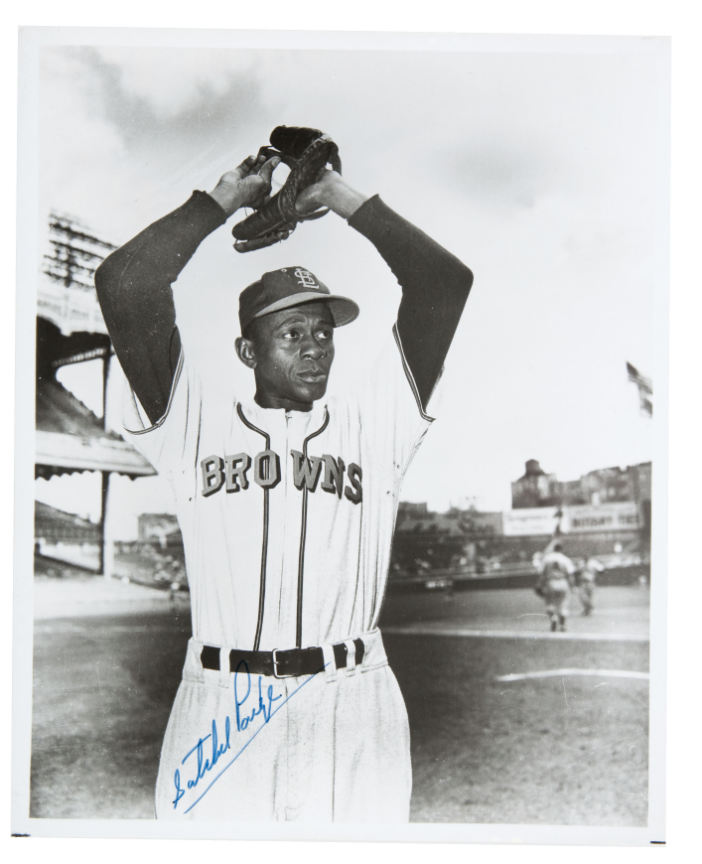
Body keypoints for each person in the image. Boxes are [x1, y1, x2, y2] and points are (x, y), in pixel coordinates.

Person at [95, 145, 472, 822]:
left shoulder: (374, 424)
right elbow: (126, 283)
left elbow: (443, 283)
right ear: (247, 351)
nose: (315, 346)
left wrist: (334, 195)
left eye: (324, 332)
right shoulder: (192, 421)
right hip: (221, 702)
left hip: (350, 698)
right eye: (292, 331)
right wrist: (222, 202)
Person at [534, 541, 576, 632]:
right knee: (563, 604)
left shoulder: (547, 559)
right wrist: (572, 587)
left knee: (550, 604)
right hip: (563, 582)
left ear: (554, 549)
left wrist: (539, 585)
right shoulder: (565, 559)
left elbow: (542, 574)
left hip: (550, 582)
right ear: (561, 549)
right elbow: (570, 575)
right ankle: (563, 625)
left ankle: (553, 619)